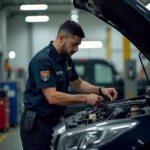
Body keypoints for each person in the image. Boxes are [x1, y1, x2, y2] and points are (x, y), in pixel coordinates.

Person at [20, 20, 118, 150]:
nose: (76, 49)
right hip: (38, 125)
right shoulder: (42, 61)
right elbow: (52, 97)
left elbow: (79, 83)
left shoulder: (66, 59)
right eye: (74, 44)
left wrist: (101, 90)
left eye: (78, 45)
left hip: (55, 121)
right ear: (61, 38)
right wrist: (85, 98)